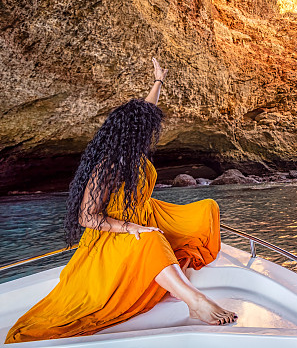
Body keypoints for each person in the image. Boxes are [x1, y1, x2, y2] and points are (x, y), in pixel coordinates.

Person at [5, 58, 237, 344]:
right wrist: (131, 229)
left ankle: (174, 278)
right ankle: (196, 301)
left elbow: (148, 109)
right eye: (146, 129)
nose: (152, 133)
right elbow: (87, 216)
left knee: (205, 210)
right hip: (114, 231)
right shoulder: (109, 165)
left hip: (147, 212)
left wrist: (158, 80)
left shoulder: (134, 150)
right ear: (133, 133)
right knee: (151, 241)